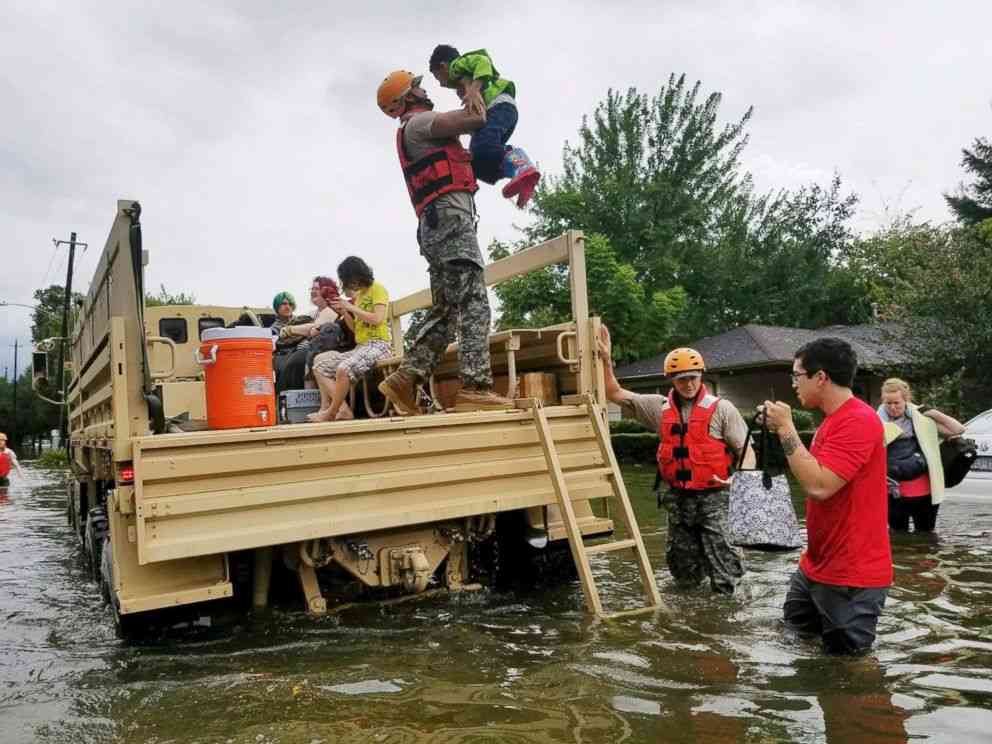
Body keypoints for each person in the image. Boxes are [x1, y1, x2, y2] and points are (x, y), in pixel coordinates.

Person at [375, 69, 512, 415]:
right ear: (407, 98)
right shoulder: (420, 124)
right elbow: (477, 118)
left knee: (447, 310)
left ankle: (406, 379)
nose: (426, 91)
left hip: (436, 226)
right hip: (450, 223)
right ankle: (475, 388)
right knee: (474, 301)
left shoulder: (413, 128)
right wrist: (472, 86)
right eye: (419, 87)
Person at [598, 326, 751, 594]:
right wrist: (606, 360)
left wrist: (737, 479)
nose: (689, 384)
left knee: (726, 568)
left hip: (715, 498)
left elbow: (747, 449)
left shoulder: (722, 409)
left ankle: (730, 619)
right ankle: (691, 618)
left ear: (701, 376)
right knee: (682, 570)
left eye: (693, 377)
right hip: (678, 502)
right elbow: (614, 393)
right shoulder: (658, 408)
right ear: (671, 380)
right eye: (681, 379)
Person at [763, 337, 892, 655]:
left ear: (821, 377)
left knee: (850, 671)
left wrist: (785, 429)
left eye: (797, 375)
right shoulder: (832, 421)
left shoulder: (858, 421)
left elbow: (819, 486)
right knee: (797, 641)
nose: (794, 384)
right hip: (816, 566)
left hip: (852, 576)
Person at [428, 45, 540, 208]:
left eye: (438, 78)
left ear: (443, 66)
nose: (441, 84)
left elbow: (483, 61)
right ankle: (520, 177)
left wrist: (474, 89)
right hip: (500, 112)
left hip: (499, 106)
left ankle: (520, 163)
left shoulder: (457, 65)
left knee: (484, 146)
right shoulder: (463, 79)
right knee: (478, 160)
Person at [308, 257, 392, 423]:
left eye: (346, 280)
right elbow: (355, 329)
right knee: (319, 364)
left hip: (380, 344)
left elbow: (377, 319)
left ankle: (332, 412)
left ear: (355, 276)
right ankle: (341, 409)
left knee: (343, 369)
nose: (346, 284)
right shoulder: (360, 296)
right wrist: (345, 312)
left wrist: (350, 307)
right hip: (362, 346)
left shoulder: (378, 289)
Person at [877, 377, 964, 532]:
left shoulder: (922, 420)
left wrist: (934, 413)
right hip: (891, 492)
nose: (892, 407)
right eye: (888, 403)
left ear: (906, 400)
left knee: (926, 536)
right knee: (898, 537)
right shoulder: (875, 422)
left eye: (896, 403)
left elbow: (958, 430)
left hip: (924, 491)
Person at [274, 277, 338, 394]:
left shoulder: (331, 309)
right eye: (312, 288)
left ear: (327, 290)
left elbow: (315, 327)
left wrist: (289, 330)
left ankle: (300, 403)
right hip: (306, 350)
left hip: (322, 351)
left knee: (296, 362)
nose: (313, 291)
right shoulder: (314, 313)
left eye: (317, 288)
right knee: (283, 362)